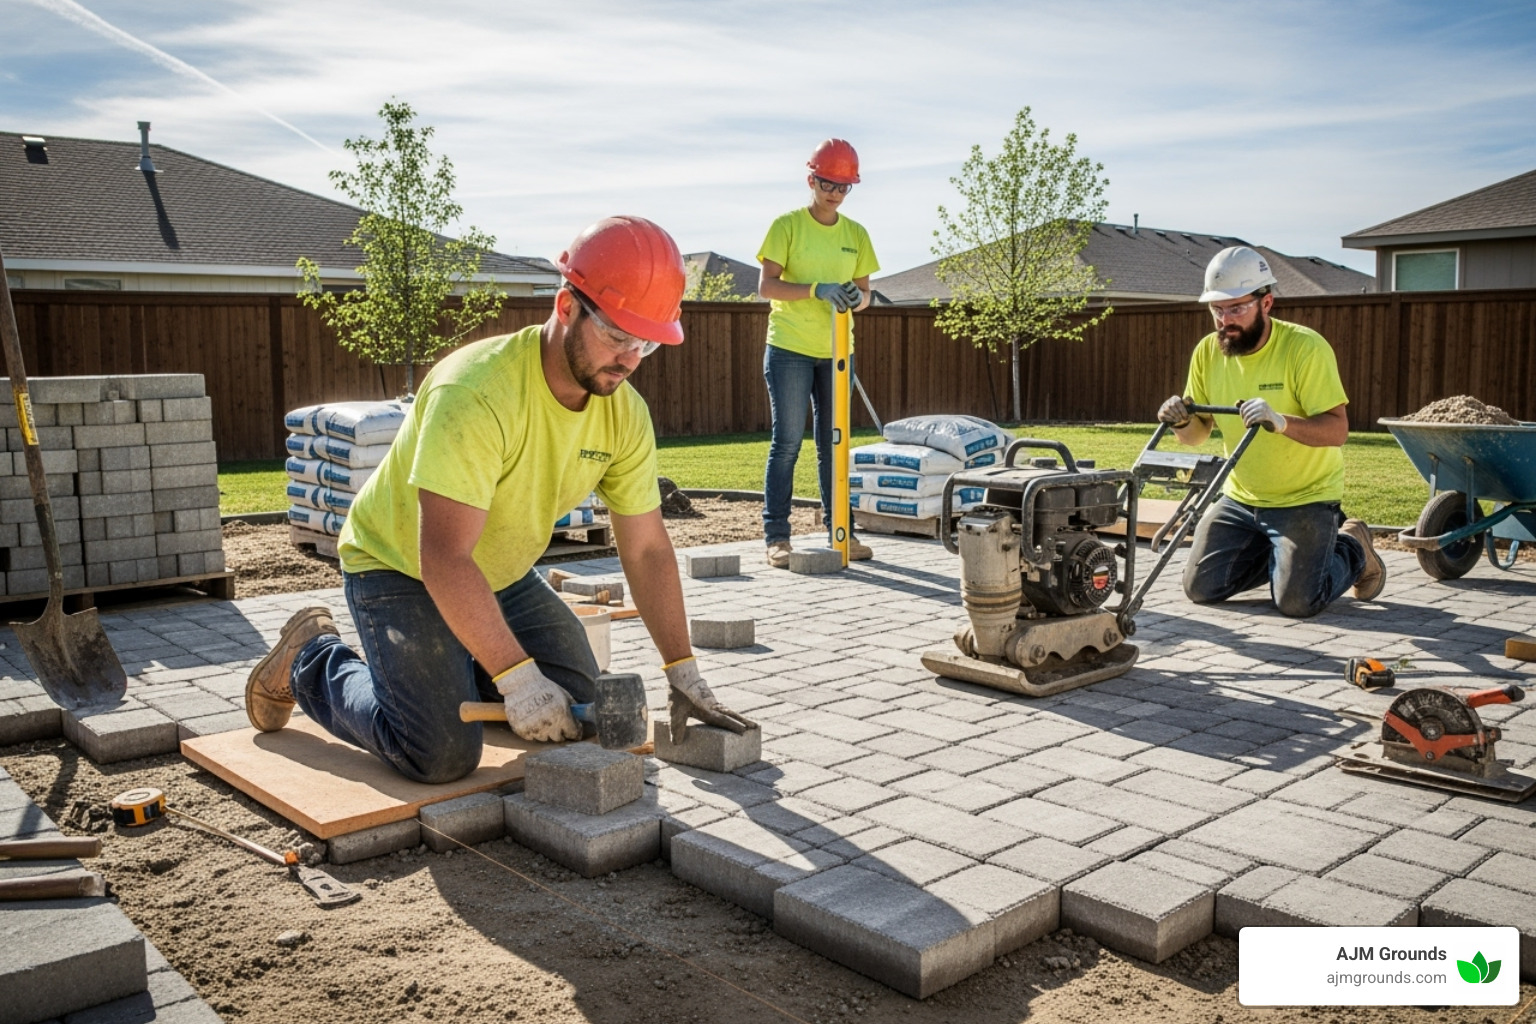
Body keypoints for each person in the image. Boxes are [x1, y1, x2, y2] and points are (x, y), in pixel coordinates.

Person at [244, 216, 753, 784]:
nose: (630, 359)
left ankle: (452, 662)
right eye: (617, 335)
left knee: (579, 700)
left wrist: (682, 670)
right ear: (566, 306)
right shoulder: (476, 392)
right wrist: (516, 678)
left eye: (646, 344)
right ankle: (311, 660)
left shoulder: (624, 413)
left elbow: (647, 550)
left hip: (500, 574)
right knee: (438, 754)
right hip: (399, 566)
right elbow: (443, 556)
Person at [1157, 245, 1385, 618]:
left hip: (1305, 497)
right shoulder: (1207, 352)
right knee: (1201, 588)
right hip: (1241, 498)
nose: (1225, 320)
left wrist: (1281, 422)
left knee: (1297, 603)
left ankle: (1353, 547)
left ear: (1267, 303)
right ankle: (1285, 558)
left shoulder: (1304, 348)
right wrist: (1180, 419)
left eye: (1237, 308)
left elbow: (1337, 431)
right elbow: (1196, 436)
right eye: (1217, 309)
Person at [756, 138, 881, 568]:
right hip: (789, 348)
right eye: (828, 183)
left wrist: (854, 297)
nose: (835, 192)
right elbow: (766, 286)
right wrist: (815, 289)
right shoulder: (787, 226)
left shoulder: (856, 235)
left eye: (844, 186)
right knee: (788, 442)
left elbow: (866, 295)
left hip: (837, 352)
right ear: (811, 179)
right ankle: (777, 536)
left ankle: (840, 531)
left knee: (836, 445)